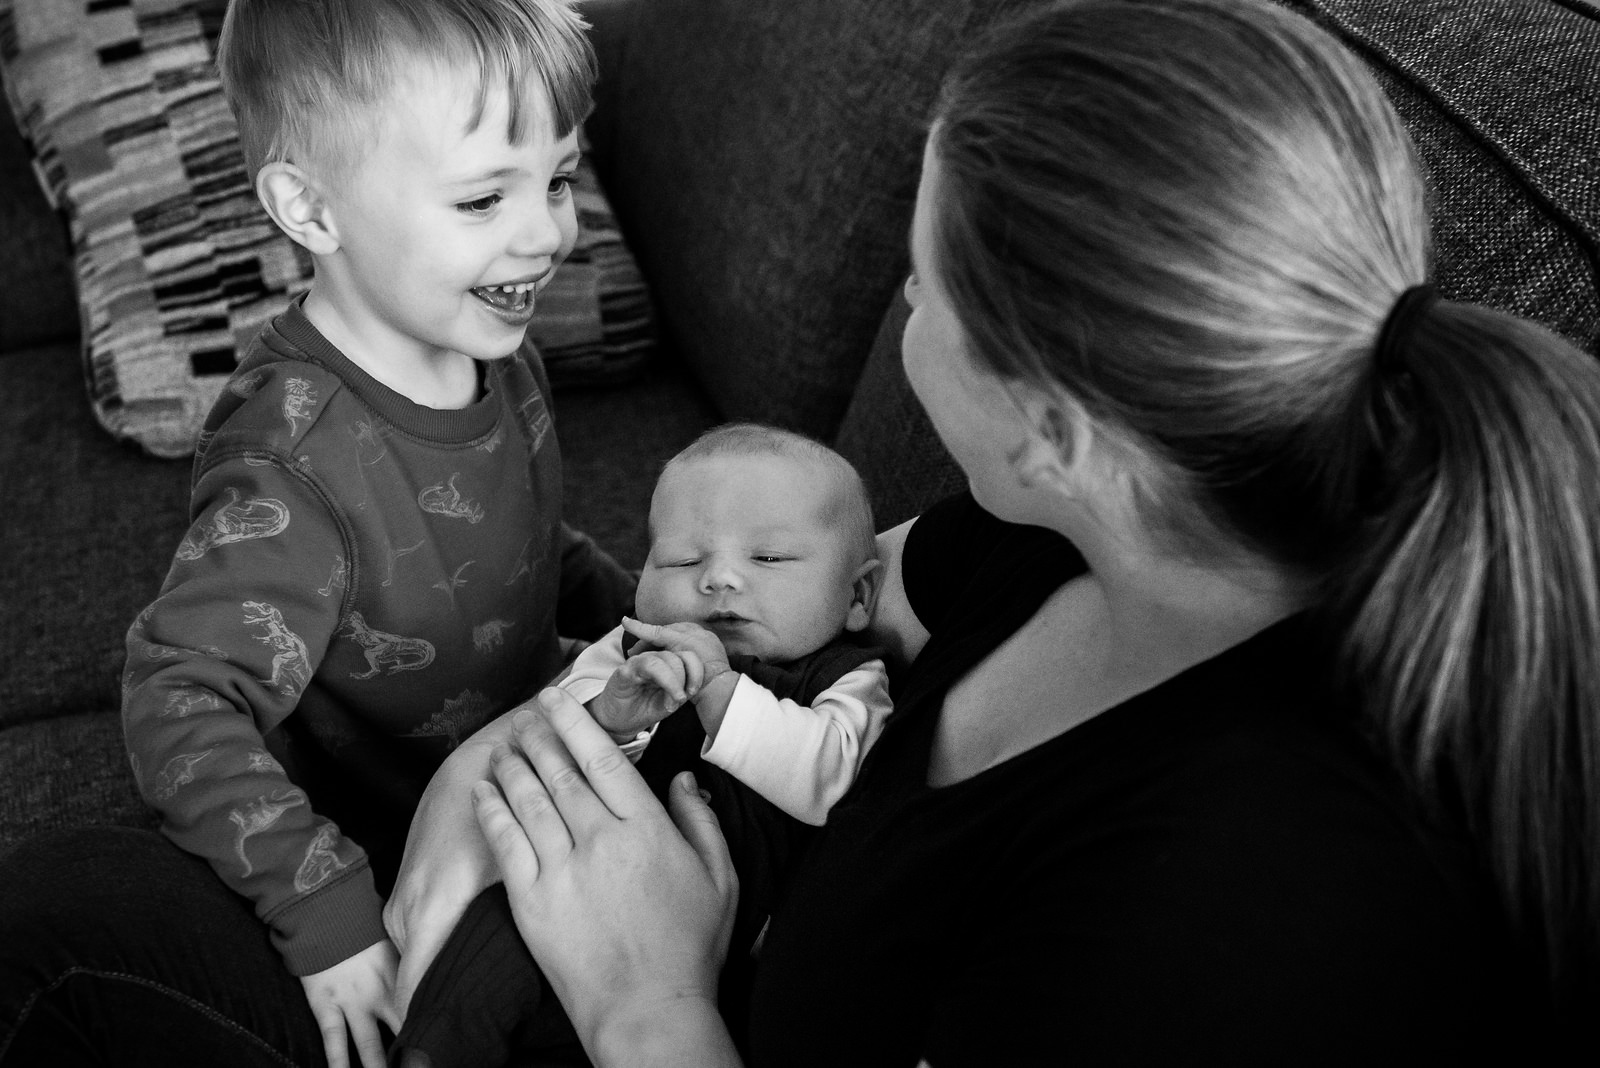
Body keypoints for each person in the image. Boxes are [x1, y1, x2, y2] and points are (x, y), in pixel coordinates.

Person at [388, 0, 1600, 1062]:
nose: (901, 307)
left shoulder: (1237, 917)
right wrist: (495, 754)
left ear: (1054, 432)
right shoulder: (1073, 536)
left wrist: (643, 1006)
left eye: (920, 288)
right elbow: (791, 602)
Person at [0, 2, 636, 1067]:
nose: (545, 233)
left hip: (530, 774)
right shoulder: (296, 465)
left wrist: (636, 609)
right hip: (392, 852)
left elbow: (523, 542)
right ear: (311, 209)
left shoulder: (495, 344)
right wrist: (324, 910)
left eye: (559, 179)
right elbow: (178, 694)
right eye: (484, 196)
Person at [391, 422, 891, 1066]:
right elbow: (549, 754)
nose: (719, 580)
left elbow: (837, 783)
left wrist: (720, 689)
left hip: (726, 951)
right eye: (683, 560)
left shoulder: (849, 677)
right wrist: (610, 715)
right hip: (568, 887)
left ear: (857, 596)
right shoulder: (632, 650)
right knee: (481, 950)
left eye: (768, 558)